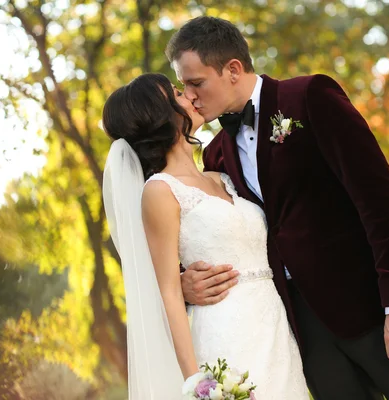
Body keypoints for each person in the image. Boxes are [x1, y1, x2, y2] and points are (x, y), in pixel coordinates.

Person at [165, 16, 389, 400]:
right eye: (184, 86)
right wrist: (183, 281)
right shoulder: (215, 155)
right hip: (301, 335)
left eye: (196, 83)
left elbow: (379, 199)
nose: (190, 96)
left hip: (369, 309)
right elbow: (217, 230)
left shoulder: (310, 97)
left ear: (232, 69)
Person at [102, 73, 310, 399]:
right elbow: (169, 293)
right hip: (224, 337)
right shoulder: (160, 191)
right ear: (156, 114)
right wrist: (196, 384)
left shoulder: (222, 175)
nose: (190, 95)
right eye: (176, 93)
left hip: (274, 332)